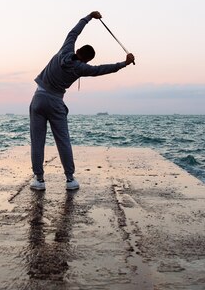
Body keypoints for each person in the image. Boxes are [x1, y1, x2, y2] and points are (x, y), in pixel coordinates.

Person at [29, 11, 135, 191]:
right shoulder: (81, 68)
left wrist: (89, 17)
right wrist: (124, 63)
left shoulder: (66, 48)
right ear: (87, 59)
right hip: (55, 103)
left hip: (38, 98)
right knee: (63, 140)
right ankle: (70, 180)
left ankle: (39, 180)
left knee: (37, 141)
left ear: (78, 50)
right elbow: (102, 69)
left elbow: (74, 32)